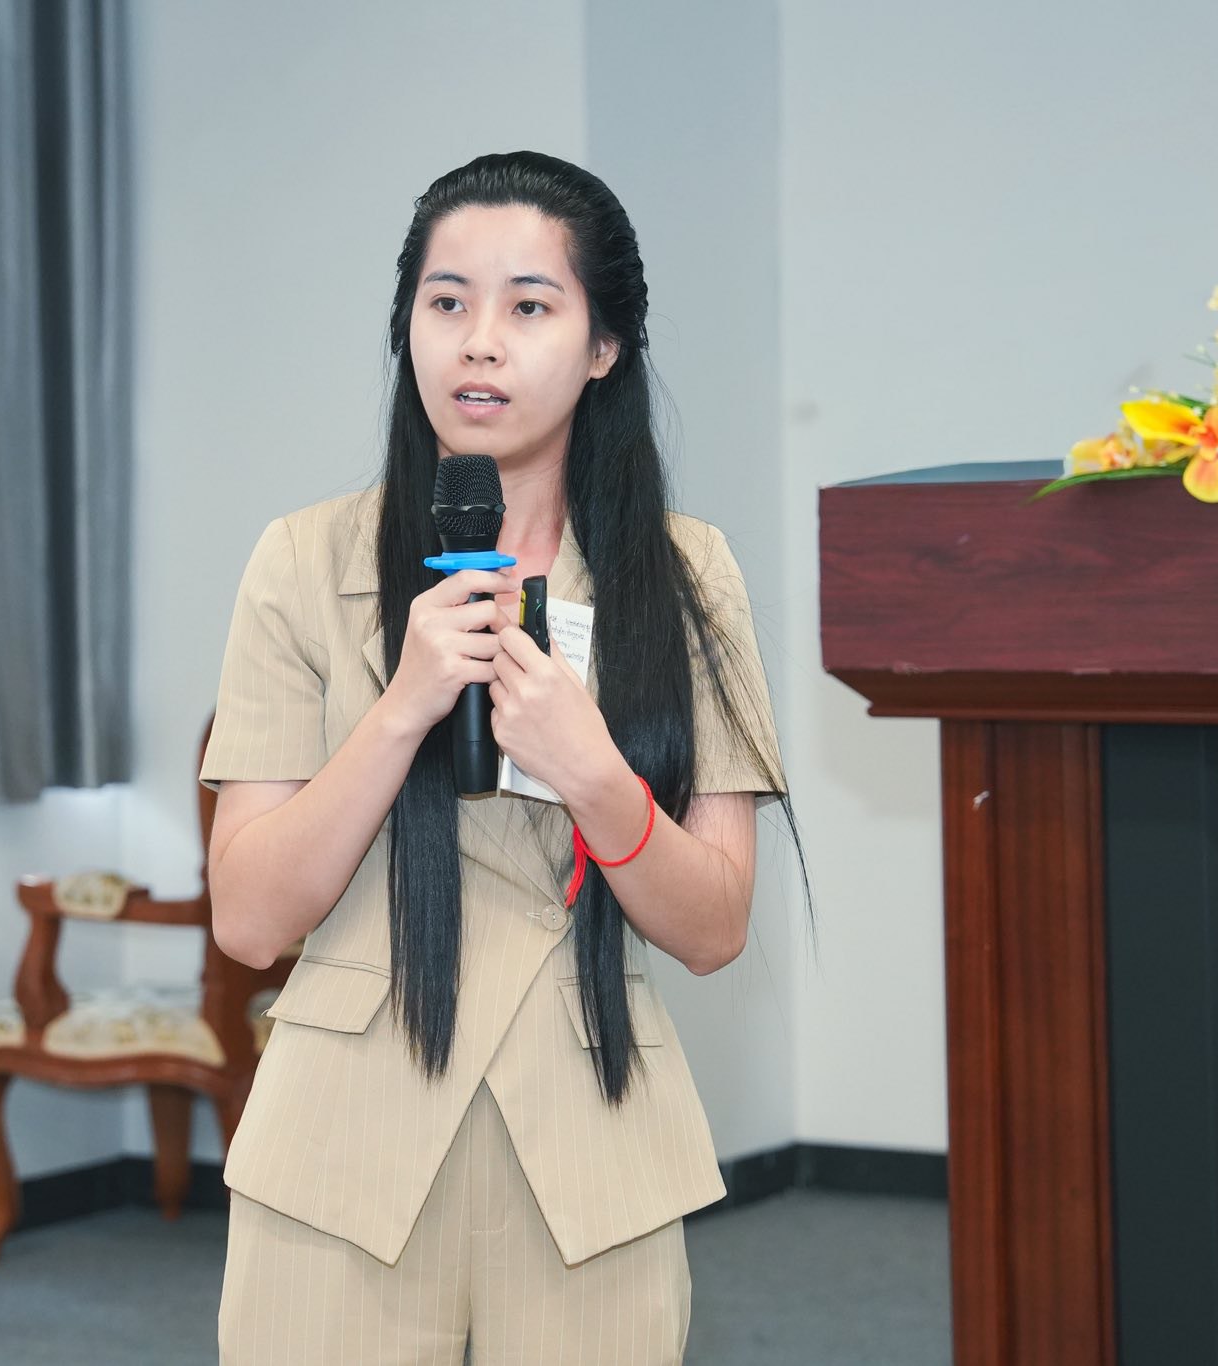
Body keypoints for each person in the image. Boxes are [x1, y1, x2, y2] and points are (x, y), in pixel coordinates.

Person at [202, 150, 812, 1366]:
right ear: (407, 328)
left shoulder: (687, 577)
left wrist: (593, 775)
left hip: (591, 1152)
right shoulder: (300, 560)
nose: (478, 341)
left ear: (602, 346)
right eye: (446, 302)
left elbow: (713, 927)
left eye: (529, 306)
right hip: (339, 1161)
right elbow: (249, 919)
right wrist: (399, 712)